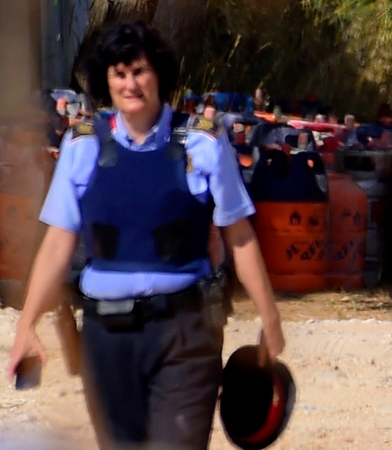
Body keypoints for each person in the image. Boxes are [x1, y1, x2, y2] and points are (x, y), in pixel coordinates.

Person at [6, 21, 285, 450]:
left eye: (139, 71)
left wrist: (269, 317)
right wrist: (27, 323)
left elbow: (240, 237)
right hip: (107, 340)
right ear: (106, 81)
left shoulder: (203, 144)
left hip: (186, 334)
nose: (130, 83)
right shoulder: (83, 148)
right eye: (119, 74)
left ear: (159, 76)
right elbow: (58, 245)